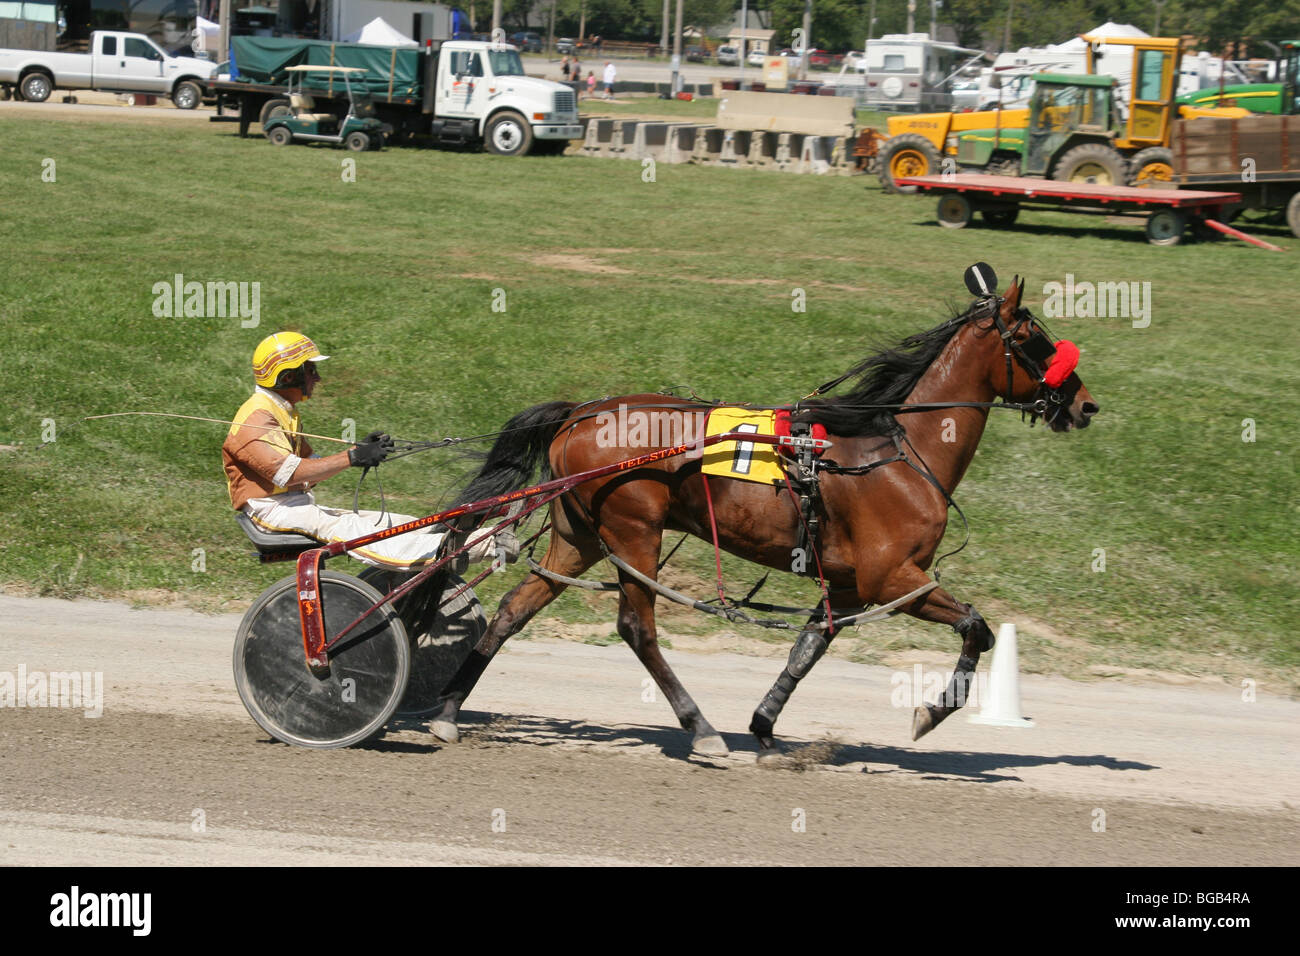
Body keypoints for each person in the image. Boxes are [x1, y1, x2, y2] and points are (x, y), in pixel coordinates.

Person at [223, 331, 517, 571]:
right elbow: (291, 474)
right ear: (287, 377)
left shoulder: (282, 410)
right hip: (271, 512)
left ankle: (456, 540)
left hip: (292, 504)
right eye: (311, 370)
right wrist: (351, 458)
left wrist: (358, 451)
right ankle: (481, 545)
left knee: (389, 522)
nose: (318, 378)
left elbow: (311, 467)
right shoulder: (257, 417)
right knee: (353, 528)